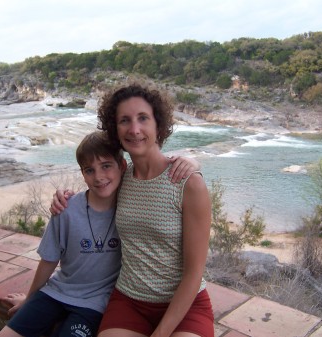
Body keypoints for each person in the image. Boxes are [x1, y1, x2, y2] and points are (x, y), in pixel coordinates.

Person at [51, 84, 214, 337]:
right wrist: (63, 198)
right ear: (116, 130)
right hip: (129, 301)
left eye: (143, 118)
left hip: (186, 306)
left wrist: (160, 334)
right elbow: (93, 194)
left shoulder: (187, 183)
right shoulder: (122, 178)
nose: (134, 129)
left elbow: (194, 274)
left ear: (157, 125)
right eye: (124, 120)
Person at [0, 131, 126, 337]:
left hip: (94, 304)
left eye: (106, 166)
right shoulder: (66, 209)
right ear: (82, 174)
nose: (99, 177)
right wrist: (29, 299)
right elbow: (49, 259)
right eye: (89, 170)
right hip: (56, 292)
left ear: (122, 165)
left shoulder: (131, 209)